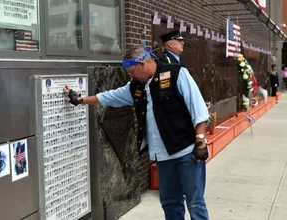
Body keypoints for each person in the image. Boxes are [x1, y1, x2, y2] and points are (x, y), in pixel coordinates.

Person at [64, 45, 210, 220]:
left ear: (142, 64)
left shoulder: (176, 74)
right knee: (170, 203)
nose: (130, 76)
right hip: (164, 157)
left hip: (187, 152)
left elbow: (198, 109)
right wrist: (80, 100)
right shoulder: (136, 86)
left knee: (195, 203)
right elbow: (110, 96)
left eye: (131, 72)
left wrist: (200, 141)